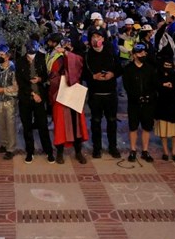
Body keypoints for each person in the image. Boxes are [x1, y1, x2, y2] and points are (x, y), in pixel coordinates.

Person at [47, 35, 88, 164]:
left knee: (76, 125)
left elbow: (78, 66)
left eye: (69, 45)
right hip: (60, 93)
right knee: (60, 124)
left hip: (74, 92)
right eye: (64, 45)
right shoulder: (55, 57)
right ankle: (59, 152)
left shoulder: (76, 56)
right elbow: (52, 74)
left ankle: (78, 151)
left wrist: (66, 53)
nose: (67, 47)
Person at [83, 31, 120, 159]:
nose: (96, 39)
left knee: (112, 121)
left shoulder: (111, 52)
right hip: (95, 94)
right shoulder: (87, 55)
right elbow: (83, 73)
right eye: (94, 36)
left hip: (110, 93)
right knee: (96, 122)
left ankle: (113, 147)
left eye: (98, 36)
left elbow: (119, 68)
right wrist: (93, 76)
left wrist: (112, 74)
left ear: (103, 38)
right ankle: (97, 148)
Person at [17, 40, 53, 163]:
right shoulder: (20, 61)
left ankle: (48, 151)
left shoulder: (42, 58)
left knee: (43, 125)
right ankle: (30, 151)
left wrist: (40, 79)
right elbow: (20, 82)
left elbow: (48, 76)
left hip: (40, 97)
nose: (31, 57)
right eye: (29, 54)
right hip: (26, 97)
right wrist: (32, 94)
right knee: (27, 126)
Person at [123, 43, 158, 163]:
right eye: (140, 53)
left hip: (148, 103)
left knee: (146, 127)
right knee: (133, 127)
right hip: (134, 103)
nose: (143, 54)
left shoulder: (150, 68)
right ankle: (133, 150)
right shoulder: (128, 69)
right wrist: (136, 97)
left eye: (144, 52)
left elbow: (154, 85)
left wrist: (149, 96)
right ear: (134, 55)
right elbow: (127, 86)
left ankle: (145, 150)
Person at [154, 57, 175, 162]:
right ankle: (165, 151)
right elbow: (153, 85)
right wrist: (163, 85)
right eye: (166, 65)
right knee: (163, 131)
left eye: (170, 65)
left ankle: (174, 151)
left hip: (174, 104)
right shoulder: (157, 74)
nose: (168, 68)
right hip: (162, 104)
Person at [0, 44, 19, 160]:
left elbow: (16, 87)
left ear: (7, 56)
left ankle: (11, 148)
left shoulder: (12, 69)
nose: (0, 57)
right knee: (1, 123)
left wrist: (2, 90)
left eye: (2, 55)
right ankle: (4, 143)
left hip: (10, 101)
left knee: (10, 125)